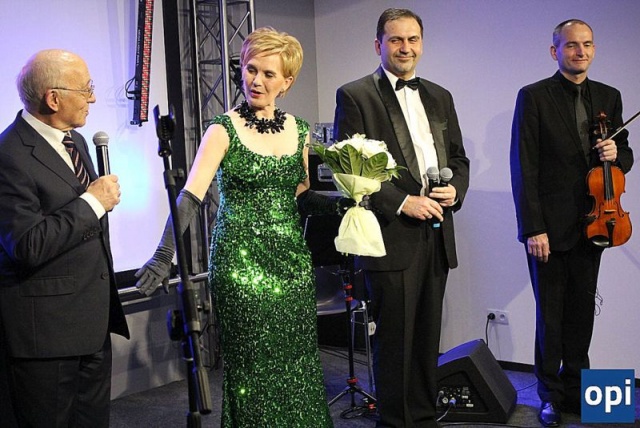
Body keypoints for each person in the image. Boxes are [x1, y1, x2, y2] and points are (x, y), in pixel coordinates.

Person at [135, 27, 334, 427]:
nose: (256, 80)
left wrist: (348, 205)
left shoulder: (300, 131)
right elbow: (189, 197)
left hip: (292, 264)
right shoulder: (221, 129)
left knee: (298, 368)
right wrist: (163, 254)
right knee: (252, 370)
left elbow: (300, 195)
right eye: (250, 69)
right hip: (240, 265)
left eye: (268, 74)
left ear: (287, 82)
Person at [333, 8, 470, 428]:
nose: (405, 48)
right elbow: (350, 172)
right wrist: (402, 202)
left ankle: (424, 419)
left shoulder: (441, 96)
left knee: (427, 339)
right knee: (395, 344)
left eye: (412, 39)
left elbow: (459, 160)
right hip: (391, 236)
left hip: (437, 234)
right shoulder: (355, 95)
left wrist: (455, 190)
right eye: (396, 40)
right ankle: (394, 422)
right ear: (379, 45)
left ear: (421, 44)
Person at [510, 19, 633, 427]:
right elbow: (523, 166)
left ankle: (579, 391)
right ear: (555, 51)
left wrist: (617, 154)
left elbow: (626, 156)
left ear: (593, 50)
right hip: (549, 227)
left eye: (587, 45)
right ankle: (549, 395)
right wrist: (533, 228)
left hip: (598, 223)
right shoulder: (534, 96)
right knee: (550, 317)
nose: (580, 52)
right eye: (571, 45)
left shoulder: (609, 96)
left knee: (582, 314)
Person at [0, 49, 130, 427]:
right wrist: (92, 202)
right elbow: (26, 244)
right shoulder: (9, 155)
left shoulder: (77, 141)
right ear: (53, 99)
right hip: (46, 337)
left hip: (91, 325)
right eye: (85, 89)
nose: (93, 98)